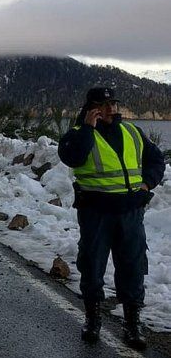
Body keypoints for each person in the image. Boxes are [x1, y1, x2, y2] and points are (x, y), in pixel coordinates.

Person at [58, 87, 165, 350]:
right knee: (92, 266)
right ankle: (93, 319)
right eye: (103, 105)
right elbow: (72, 158)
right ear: (90, 108)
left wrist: (147, 184)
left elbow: (156, 161)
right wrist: (86, 129)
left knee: (132, 267)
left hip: (130, 213)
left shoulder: (131, 132)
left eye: (113, 104)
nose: (110, 109)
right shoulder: (76, 135)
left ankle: (132, 323)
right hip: (96, 213)